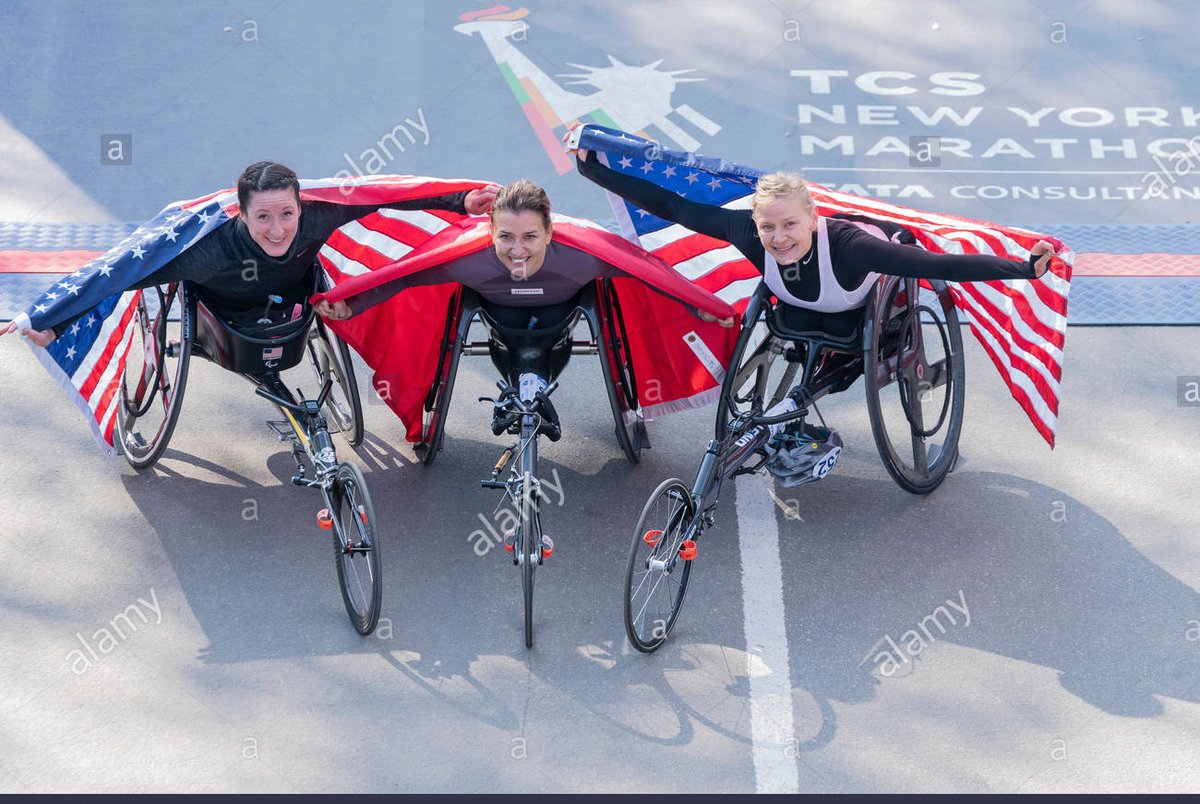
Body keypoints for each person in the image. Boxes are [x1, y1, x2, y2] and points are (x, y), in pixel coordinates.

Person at [315, 178, 733, 440]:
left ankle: (531, 382)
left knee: (548, 335)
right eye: (506, 238)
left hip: (561, 318)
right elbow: (404, 276)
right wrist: (352, 305)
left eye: (530, 237)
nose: (518, 251)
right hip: (500, 319)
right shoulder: (464, 258)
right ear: (489, 232)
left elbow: (649, 272)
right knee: (511, 333)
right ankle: (517, 384)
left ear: (551, 232)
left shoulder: (585, 255)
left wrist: (701, 308)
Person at [566, 131, 1056, 340]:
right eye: (769, 227)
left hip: (855, 303)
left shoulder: (851, 248)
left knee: (850, 338)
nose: (778, 239)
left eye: (789, 225)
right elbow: (672, 205)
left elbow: (940, 266)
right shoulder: (745, 230)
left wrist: (1022, 268)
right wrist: (595, 173)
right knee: (796, 326)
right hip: (801, 306)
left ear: (813, 216)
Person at [2, 161, 500, 346]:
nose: (279, 229)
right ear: (240, 215)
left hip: (294, 297)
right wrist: (51, 319)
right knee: (133, 276)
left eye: (287, 214)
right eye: (263, 217)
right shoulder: (203, 250)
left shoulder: (320, 214)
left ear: (301, 205)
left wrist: (458, 200)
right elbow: (118, 274)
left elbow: (389, 194)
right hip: (225, 311)